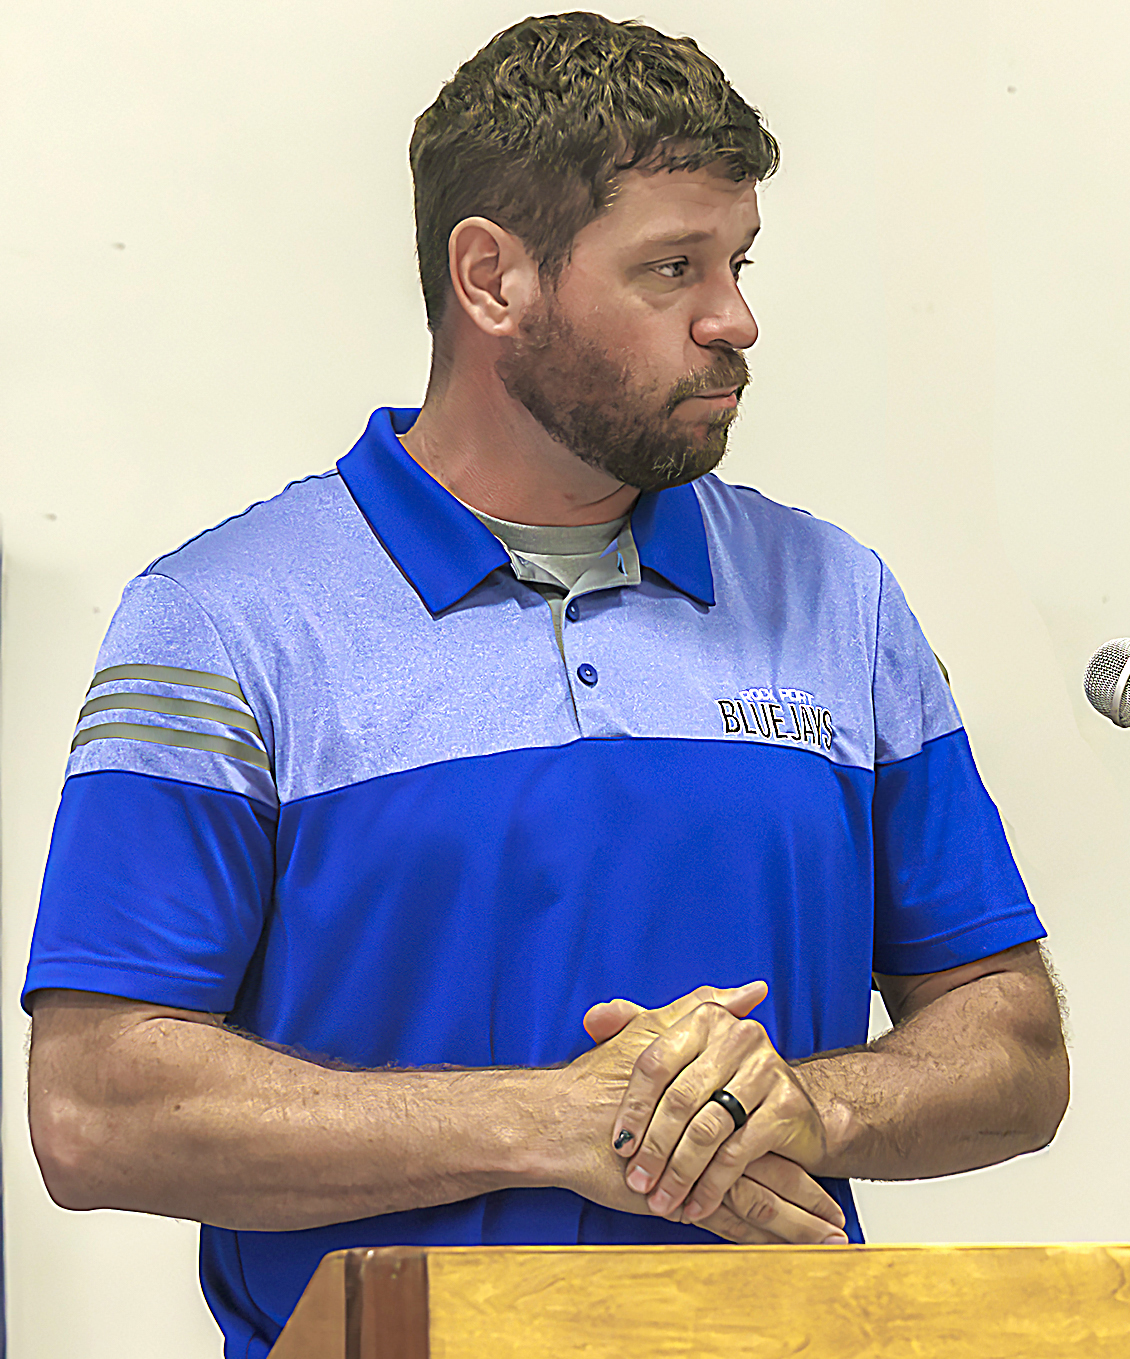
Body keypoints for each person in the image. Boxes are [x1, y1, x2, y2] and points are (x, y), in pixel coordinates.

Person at [25, 13, 1068, 1358]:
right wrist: (547, 1121)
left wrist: (812, 1107)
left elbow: (1011, 1047)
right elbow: (97, 1110)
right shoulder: (223, 622)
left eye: (738, 262)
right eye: (671, 268)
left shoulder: (838, 601)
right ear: (492, 279)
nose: (734, 318)